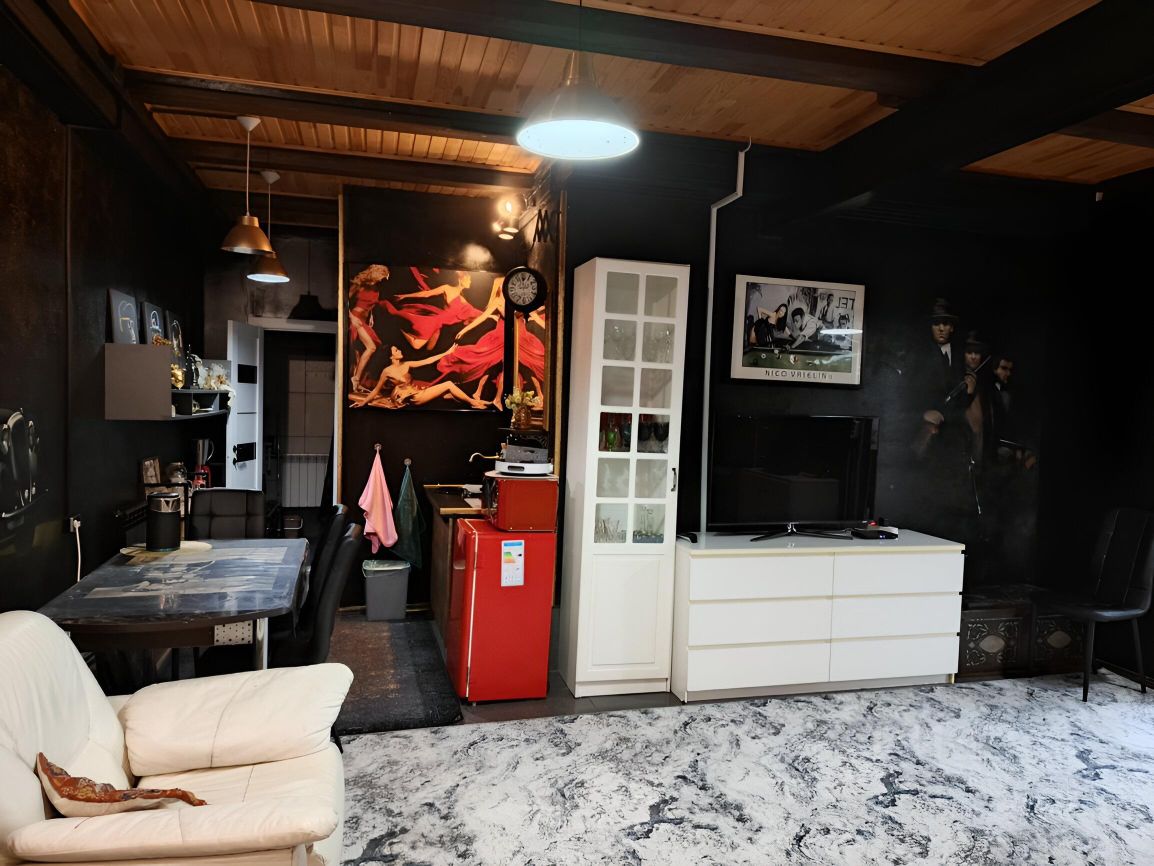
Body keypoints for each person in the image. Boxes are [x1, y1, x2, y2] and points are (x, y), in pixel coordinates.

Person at [350, 344, 488, 410]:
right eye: (396, 350)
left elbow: (428, 361)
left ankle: (475, 401)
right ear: (391, 356)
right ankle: (474, 402)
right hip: (411, 397)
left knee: (450, 395)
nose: (400, 350)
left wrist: (447, 352)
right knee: (448, 385)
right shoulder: (387, 371)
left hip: (417, 392)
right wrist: (364, 402)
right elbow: (376, 390)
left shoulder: (407, 364)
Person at [382, 268, 481, 352]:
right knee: (417, 345)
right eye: (469, 279)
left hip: (438, 325)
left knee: (429, 349)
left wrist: (488, 314)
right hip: (434, 321)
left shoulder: (463, 299)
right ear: (461, 279)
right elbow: (426, 294)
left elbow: (474, 312)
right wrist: (405, 296)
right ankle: (397, 327)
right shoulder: (447, 288)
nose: (470, 282)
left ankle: (398, 327)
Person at [347, 264, 391, 393]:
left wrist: (370, 319)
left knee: (363, 350)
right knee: (371, 347)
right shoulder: (359, 285)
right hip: (355, 318)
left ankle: (356, 381)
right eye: (382, 276)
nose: (383, 280)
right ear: (376, 274)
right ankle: (355, 379)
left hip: (364, 321)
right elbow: (344, 302)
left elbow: (370, 306)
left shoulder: (376, 288)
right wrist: (351, 317)